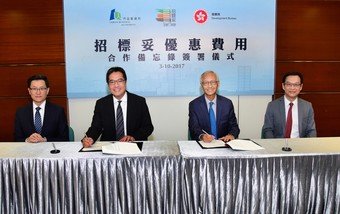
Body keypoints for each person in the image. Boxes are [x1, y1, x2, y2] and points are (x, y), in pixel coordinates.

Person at [82, 66, 154, 147]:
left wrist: (133, 137)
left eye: (120, 81)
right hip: (109, 148)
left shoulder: (139, 102)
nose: (116, 85)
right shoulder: (101, 104)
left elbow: (148, 127)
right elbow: (96, 127)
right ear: (108, 85)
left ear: (125, 82)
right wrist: (89, 138)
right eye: (112, 82)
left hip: (133, 147)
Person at [14, 74, 69, 142]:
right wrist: (27, 140)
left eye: (42, 88)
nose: (38, 92)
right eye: (34, 89)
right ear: (29, 91)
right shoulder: (21, 112)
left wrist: (45, 140)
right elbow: (17, 138)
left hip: (50, 151)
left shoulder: (58, 111)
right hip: (28, 150)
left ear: (47, 90)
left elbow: (65, 138)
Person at [189, 70, 240, 142]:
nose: (209, 86)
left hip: (223, 144)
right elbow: (194, 128)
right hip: (204, 144)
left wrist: (231, 135)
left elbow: (234, 127)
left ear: (218, 84)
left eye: (212, 82)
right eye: (206, 83)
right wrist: (202, 136)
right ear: (201, 85)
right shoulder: (194, 105)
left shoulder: (227, 103)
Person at [262, 71, 317, 138]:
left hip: (300, 145)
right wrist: (273, 145)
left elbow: (311, 130)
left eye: (296, 85)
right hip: (279, 145)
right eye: (288, 84)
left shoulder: (307, 106)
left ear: (301, 87)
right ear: (283, 86)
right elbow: (268, 129)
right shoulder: (272, 106)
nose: (292, 88)